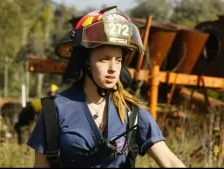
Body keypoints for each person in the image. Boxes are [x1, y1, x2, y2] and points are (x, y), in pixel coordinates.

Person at [27, 6, 186, 168]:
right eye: (104, 59)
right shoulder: (55, 110)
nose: (113, 68)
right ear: (85, 61)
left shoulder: (132, 113)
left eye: (118, 60)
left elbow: (170, 162)